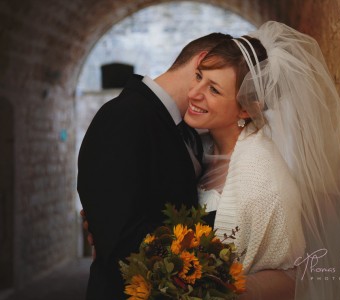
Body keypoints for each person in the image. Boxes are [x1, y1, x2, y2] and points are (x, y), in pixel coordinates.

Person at [184, 21, 340, 300]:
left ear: (246, 109)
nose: (194, 93)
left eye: (214, 89)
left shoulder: (265, 180)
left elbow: (291, 278)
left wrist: (222, 290)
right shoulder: (194, 143)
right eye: (199, 76)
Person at [77, 32, 233, 300]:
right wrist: (231, 219)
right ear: (202, 62)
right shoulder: (124, 116)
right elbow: (120, 239)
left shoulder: (189, 129)